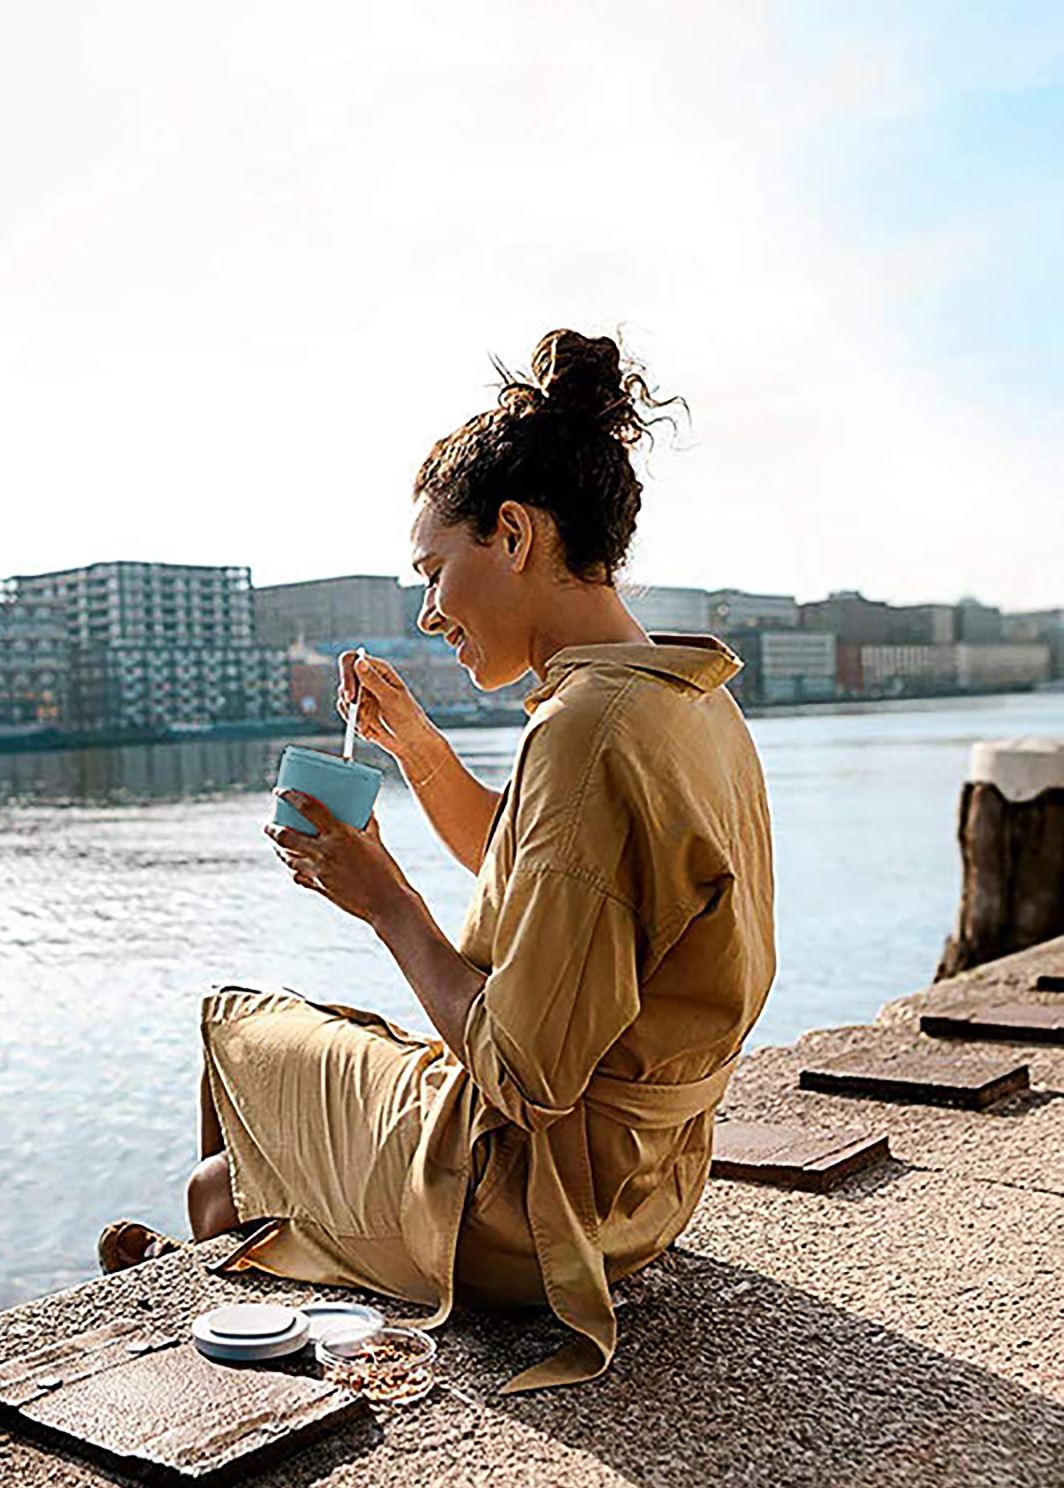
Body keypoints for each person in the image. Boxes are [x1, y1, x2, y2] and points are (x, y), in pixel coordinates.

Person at [98, 329, 776, 1391]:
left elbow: (522, 1073)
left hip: (532, 1203)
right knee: (233, 1168)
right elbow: (546, 872)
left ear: (511, 534)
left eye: (433, 571)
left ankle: (225, 1255)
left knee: (235, 1026)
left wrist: (388, 905)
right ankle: (237, 1224)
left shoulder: (582, 731)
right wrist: (414, 742)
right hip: (647, 1184)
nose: (427, 612)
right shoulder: (683, 699)